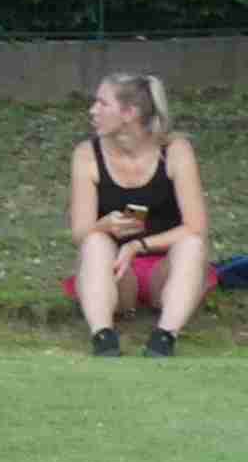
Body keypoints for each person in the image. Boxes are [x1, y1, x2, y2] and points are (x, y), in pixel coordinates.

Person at [66, 71, 211, 356]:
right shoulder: (87, 154)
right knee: (94, 241)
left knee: (193, 244)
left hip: (165, 270)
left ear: (129, 113)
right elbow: (80, 233)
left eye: (102, 103)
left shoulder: (175, 150)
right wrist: (103, 226)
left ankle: (164, 338)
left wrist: (138, 245)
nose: (92, 110)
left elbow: (196, 227)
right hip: (117, 272)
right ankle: (103, 338)